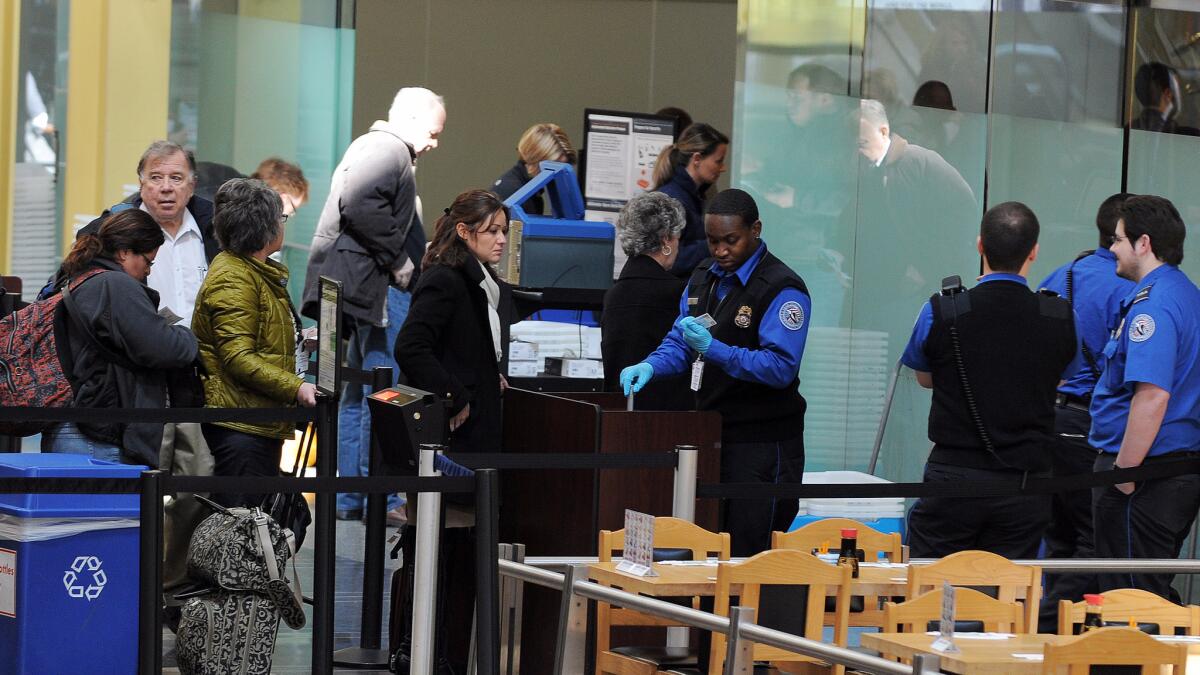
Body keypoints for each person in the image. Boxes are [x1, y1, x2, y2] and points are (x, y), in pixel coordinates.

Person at [620, 189, 810, 556]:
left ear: (755, 230)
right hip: (711, 433)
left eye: (731, 241)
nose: (721, 250)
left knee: (750, 547)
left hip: (762, 442)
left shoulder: (782, 289)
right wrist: (651, 365)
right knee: (707, 546)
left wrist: (715, 349)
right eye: (712, 241)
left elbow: (780, 368)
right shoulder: (703, 277)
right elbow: (681, 340)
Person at [901, 201, 1077, 560]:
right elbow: (1062, 378)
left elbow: (923, 377)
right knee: (1007, 596)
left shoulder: (941, 309)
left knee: (932, 586)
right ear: (1034, 252)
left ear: (980, 245)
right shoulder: (1058, 314)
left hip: (954, 474)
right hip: (1026, 482)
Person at [302, 86, 445, 522]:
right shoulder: (390, 150)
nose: (434, 143)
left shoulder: (371, 146)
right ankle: (377, 497)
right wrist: (400, 263)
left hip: (351, 290)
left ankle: (351, 497)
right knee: (382, 392)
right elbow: (362, 206)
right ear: (415, 121)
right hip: (374, 290)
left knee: (354, 394)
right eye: (434, 132)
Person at [392, 189, 514, 673]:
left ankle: (440, 653)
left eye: (505, 231)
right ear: (465, 232)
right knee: (441, 556)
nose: (502, 240)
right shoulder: (447, 279)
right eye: (493, 231)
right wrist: (457, 396)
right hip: (452, 441)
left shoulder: (474, 279)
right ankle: (429, 653)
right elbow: (412, 346)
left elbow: (460, 347)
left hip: (470, 437)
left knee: (454, 554)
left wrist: (488, 375)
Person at [1089, 195, 1200, 600]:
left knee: (1130, 600)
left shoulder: (1154, 306)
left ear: (1144, 243)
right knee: (1146, 594)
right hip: (1165, 471)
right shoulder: (1185, 294)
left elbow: (1152, 397)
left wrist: (1123, 474)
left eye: (1118, 239)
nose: (1111, 248)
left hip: (1147, 475)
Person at [1035, 193, 1135, 628]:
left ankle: (1048, 631)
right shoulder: (1130, 288)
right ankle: (1056, 629)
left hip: (1048, 418)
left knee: (1059, 533)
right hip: (1091, 423)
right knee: (1093, 534)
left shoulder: (1062, 274)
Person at [192, 179, 318, 509]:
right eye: (281, 217)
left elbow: (255, 336)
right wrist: (296, 387)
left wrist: (297, 340)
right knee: (240, 532)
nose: (283, 224)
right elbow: (237, 356)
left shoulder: (252, 271)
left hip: (254, 419)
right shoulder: (234, 277)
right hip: (241, 425)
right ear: (264, 227)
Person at [42, 209, 198, 465]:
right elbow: (162, 347)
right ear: (124, 252)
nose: (148, 271)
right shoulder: (115, 286)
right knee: (101, 505)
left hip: (74, 426)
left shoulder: (78, 278)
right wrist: (187, 337)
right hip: (96, 436)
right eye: (148, 261)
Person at [601, 191, 691, 410]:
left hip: (617, 411)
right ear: (666, 240)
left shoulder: (613, 294)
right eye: (678, 236)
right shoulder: (677, 293)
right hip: (666, 418)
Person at [651, 122, 730, 277]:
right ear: (697, 159)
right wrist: (713, 244)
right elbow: (667, 258)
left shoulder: (692, 197)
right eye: (718, 161)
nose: (723, 168)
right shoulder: (673, 200)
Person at [491, 122, 577, 215]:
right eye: (554, 168)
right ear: (535, 161)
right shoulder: (513, 194)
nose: (558, 177)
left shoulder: (527, 191)